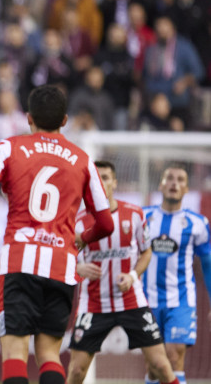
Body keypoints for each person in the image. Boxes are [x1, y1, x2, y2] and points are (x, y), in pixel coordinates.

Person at [0, 85, 114, 384]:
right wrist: (81, 239)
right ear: (65, 120)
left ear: (28, 118)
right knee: (50, 355)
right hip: (61, 266)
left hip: (19, 261)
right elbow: (106, 223)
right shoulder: (83, 160)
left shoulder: (8, 147)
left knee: (15, 352)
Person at [68, 161, 178, 384]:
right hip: (93, 303)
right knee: (77, 372)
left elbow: (146, 253)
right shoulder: (78, 222)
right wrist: (78, 268)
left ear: (115, 183)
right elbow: (64, 259)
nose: (100, 182)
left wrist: (132, 276)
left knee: (160, 366)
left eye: (106, 177)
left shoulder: (134, 214)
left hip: (131, 301)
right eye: (96, 178)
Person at [142, 165, 211, 384]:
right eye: (169, 178)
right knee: (155, 366)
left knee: (173, 356)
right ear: (161, 185)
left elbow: (208, 264)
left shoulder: (198, 223)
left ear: (187, 188)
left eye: (180, 180)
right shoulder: (143, 218)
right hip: (147, 300)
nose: (174, 183)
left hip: (181, 300)